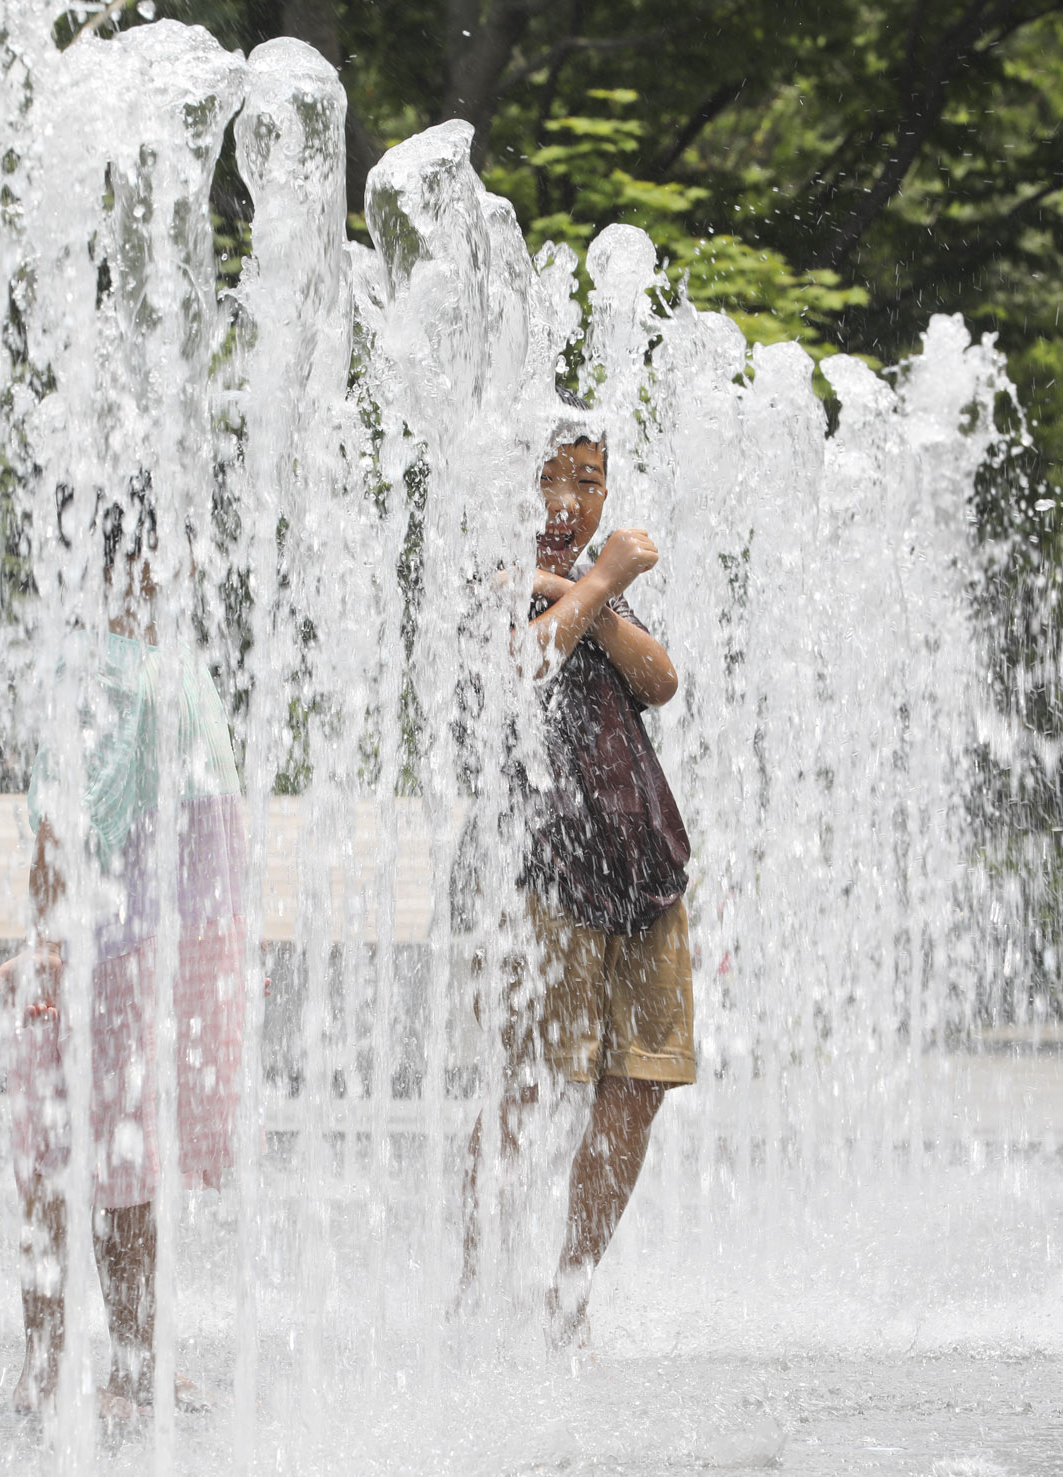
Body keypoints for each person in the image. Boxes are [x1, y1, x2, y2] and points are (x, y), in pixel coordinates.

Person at [0, 485, 245, 1421]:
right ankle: (55, 1364)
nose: (192, 567)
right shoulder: (104, 668)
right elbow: (67, 815)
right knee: (73, 1166)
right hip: (109, 954)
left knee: (125, 1167)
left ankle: (130, 1358)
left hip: (156, 951)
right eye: (180, 548)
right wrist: (50, 942)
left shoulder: (147, 661)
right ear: (140, 563)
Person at [459, 428, 692, 1350]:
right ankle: (475, 1283)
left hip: (644, 862)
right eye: (554, 476)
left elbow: (661, 679)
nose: (572, 498)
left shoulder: (589, 581)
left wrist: (588, 599)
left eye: (590, 480)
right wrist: (598, 588)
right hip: (546, 872)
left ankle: (571, 1288)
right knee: (521, 1084)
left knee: (639, 1083)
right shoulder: (486, 565)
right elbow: (514, 668)